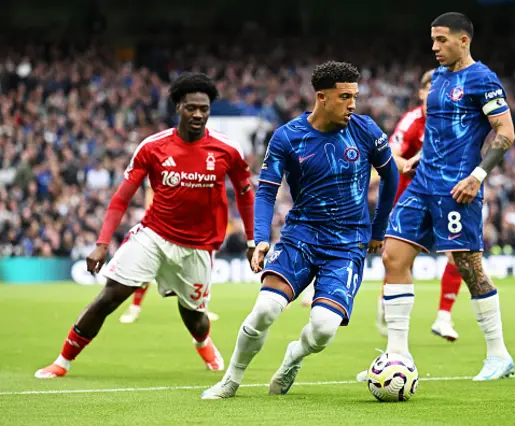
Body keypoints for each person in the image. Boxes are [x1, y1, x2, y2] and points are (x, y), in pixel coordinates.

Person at [34, 72, 255, 378]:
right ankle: (63, 361)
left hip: (198, 246)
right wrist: (101, 244)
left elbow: (246, 194)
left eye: (204, 109)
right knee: (109, 297)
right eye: (191, 107)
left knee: (195, 317)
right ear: (178, 107)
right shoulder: (153, 147)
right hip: (154, 236)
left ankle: (203, 343)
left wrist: (252, 240)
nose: (198, 114)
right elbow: (121, 198)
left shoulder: (227, 150)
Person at [201, 61, 399, 399]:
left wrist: (378, 231)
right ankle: (230, 380)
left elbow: (391, 176)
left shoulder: (365, 130)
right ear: (322, 97)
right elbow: (266, 191)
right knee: (265, 309)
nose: (353, 104)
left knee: (323, 329)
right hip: (300, 238)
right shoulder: (288, 137)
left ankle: (295, 355)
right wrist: (261, 238)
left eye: (355, 96)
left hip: (347, 245)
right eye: (345, 97)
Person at [367, 12, 515, 381]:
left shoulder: (482, 79)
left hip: (457, 189)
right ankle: (397, 355)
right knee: (393, 256)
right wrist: (419, 157)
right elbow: (439, 131)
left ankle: (499, 355)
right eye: (432, 40)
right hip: (422, 183)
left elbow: (506, 132)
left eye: (442, 40)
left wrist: (477, 176)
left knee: (469, 266)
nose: (434, 47)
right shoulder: (437, 82)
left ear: (463, 41)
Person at [375, 69, 463, 342]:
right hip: (409, 197)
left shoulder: (453, 121)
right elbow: (392, 155)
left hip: (445, 197)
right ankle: (386, 298)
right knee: (401, 261)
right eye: (431, 88)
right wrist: (413, 166)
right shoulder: (413, 120)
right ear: (422, 92)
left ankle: (444, 317)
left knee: (458, 254)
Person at [118, 185, 220, 324]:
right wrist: (151, 217)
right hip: (162, 225)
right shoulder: (163, 165)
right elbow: (151, 190)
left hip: (187, 225)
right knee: (148, 266)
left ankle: (201, 309)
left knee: (198, 269)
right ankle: (135, 307)